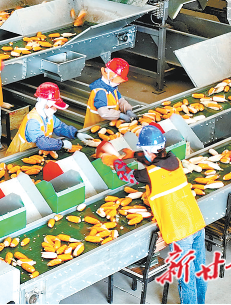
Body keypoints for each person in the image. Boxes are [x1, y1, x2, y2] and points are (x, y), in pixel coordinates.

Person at [130, 124, 207, 304]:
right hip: (196, 223)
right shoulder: (175, 162)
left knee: (186, 278)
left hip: (179, 231)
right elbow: (155, 162)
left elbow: (129, 175)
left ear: (147, 151)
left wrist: (114, 160)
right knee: (198, 270)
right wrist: (133, 154)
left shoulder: (149, 174)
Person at [6, 82, 79, 155]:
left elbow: (60, 127)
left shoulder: (49, 116)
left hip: (37, 152)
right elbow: (42, 143)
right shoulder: (33, 121)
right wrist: (61, 144)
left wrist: (76, 134)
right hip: (20, 155)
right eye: (53, 106)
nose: (55, 109)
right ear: (45, 105)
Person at [84, 57, 135, 128]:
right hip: (95, 127)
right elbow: (103, 113)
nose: (118, 83)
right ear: (110, 76)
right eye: (118, 80)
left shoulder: (112, 88)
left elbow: (120, 100)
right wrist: (120, 115)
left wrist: (128, 109)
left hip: (108, 125)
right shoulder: (100, 92)